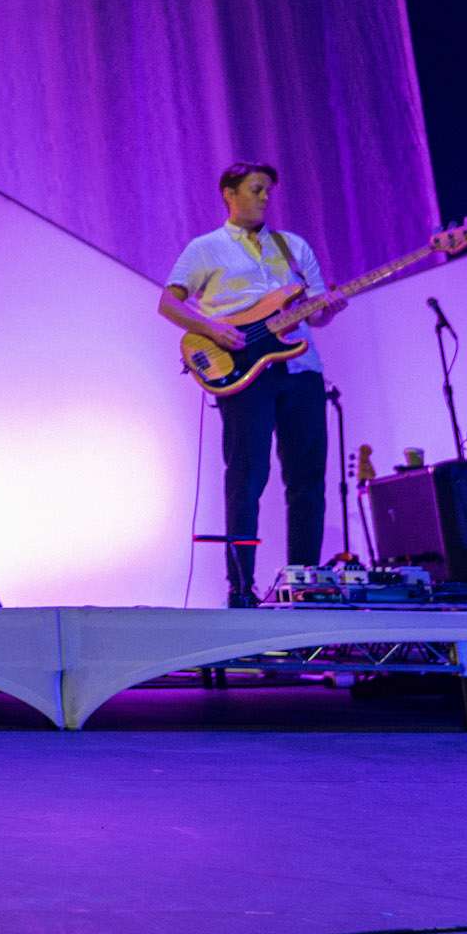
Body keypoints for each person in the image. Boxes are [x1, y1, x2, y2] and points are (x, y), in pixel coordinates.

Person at [159, 161, 347, 606]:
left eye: (268, 191)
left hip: (301, 369)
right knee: (247, 475)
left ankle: (304, 582)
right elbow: (168, 302)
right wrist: (214, 329)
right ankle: (240, 587)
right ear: (229, 193)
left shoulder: (293, 246)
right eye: (256, 189)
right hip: (243, 369)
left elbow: (315, 312)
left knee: (307, 478)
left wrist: (330, 308)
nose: (265, 198)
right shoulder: (205, 248)